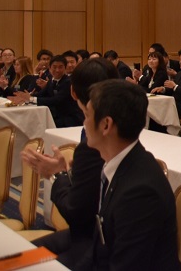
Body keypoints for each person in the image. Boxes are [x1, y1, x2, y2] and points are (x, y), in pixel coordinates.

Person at [21, 58, 119, 268]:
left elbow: (77, 213)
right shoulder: (120, 128)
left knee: (18, 264)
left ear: (73, 92)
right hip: (94, 231)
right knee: (17, 258)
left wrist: (57, 174)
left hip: (101, 244)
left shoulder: (96, 142)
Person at [76, 79, 181, 270]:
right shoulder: (120, 163)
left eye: (87, 115)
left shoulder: (140, 192)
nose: (84, 123)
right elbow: (102, 245)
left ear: (106, 125)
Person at [10, 55, 82, 127]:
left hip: (68, 119)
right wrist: (25, 97)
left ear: (65, 68)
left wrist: (31, 99)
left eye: (60, 67)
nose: (57, 70)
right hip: (55, 116)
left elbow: (56, 100)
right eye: (54, 67)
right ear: (50, 68)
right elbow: (41, 94)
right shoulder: (51, 80)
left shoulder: (68, 82)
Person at [154, 47, 181, 117]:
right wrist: (163, 89)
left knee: (158, 109)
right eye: (179, 59)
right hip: (174, 103)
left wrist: (175, 86)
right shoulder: (180, 73)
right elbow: (173, 88)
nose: (180, 62)